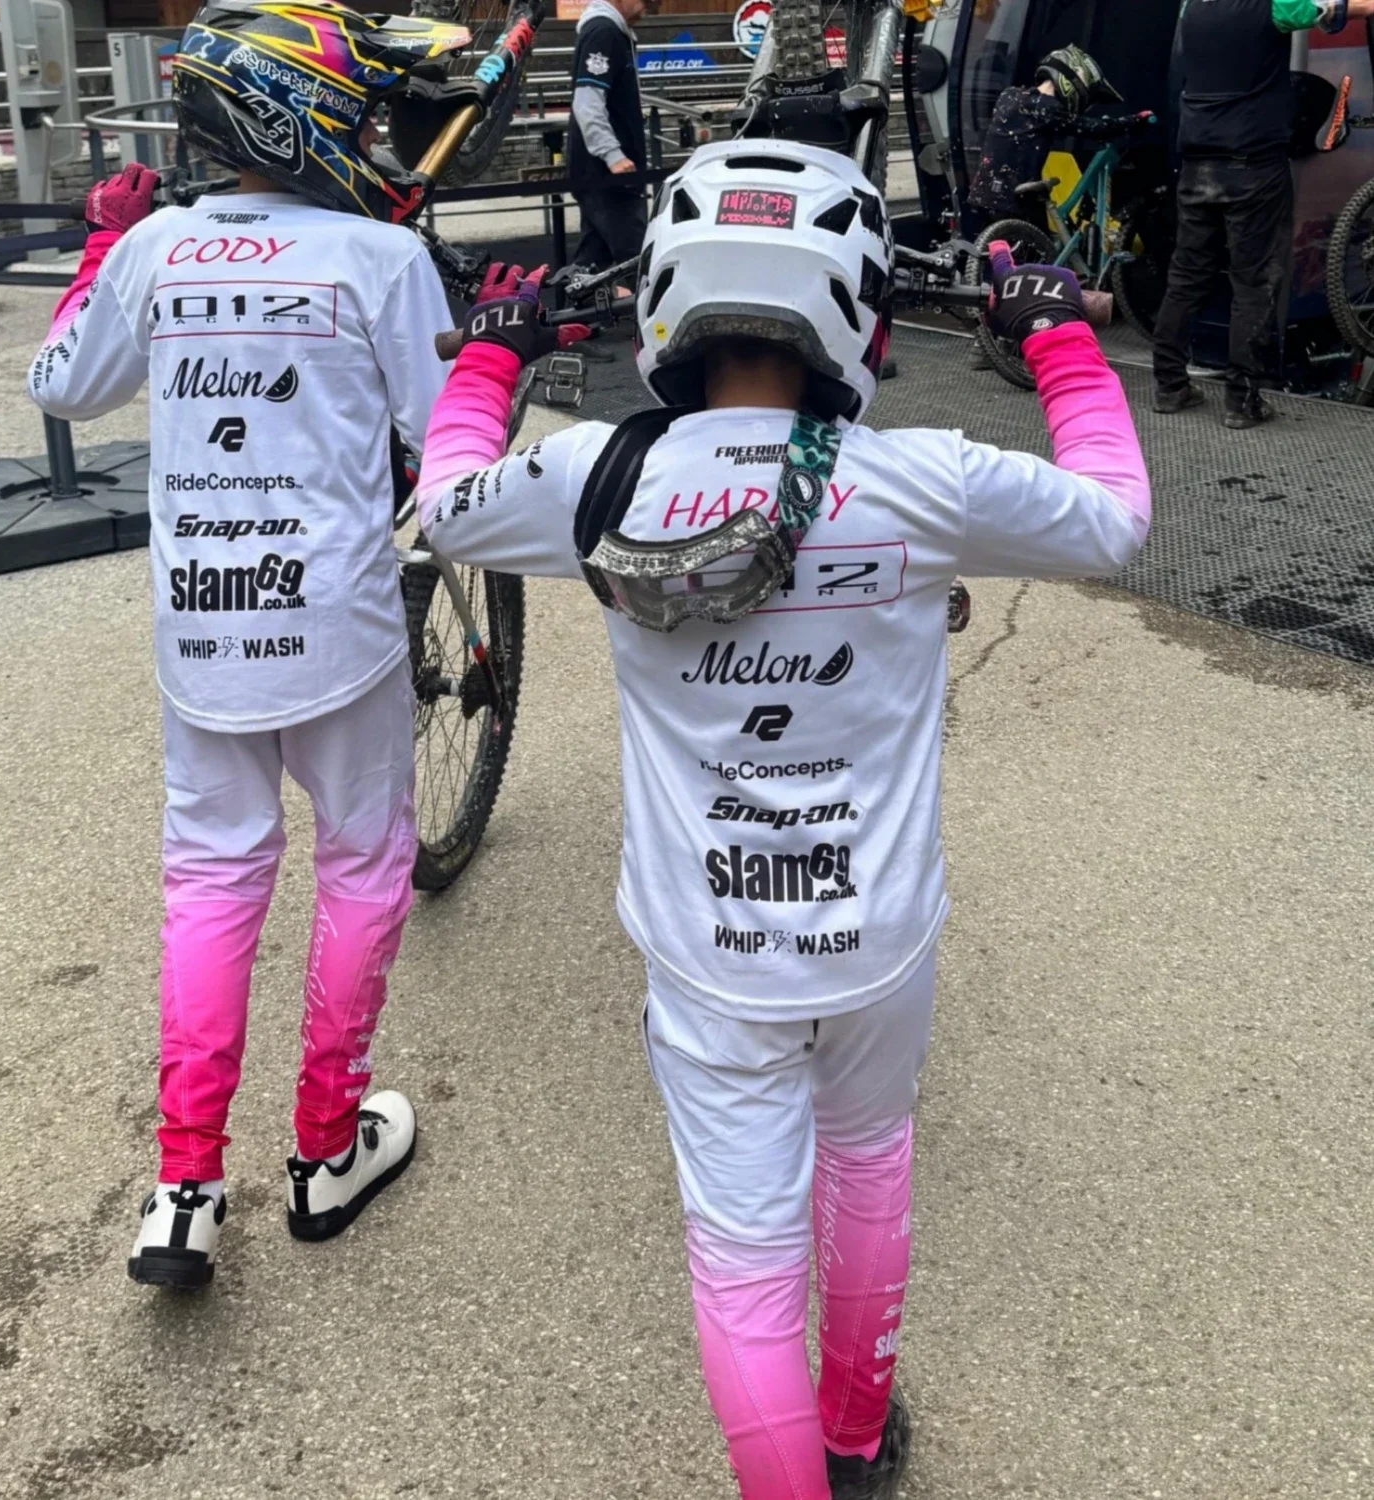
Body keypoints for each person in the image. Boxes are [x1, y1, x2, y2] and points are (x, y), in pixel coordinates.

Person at [416, 140, 1150, 1500]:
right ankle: (858, 1437)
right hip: (879, 938)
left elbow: (444, 511)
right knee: (870, 1162)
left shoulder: (598, 474)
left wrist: (490, 359)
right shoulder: (919, 479)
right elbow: (1115, 521)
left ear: (672, 307)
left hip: (711, 954)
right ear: (858, 307)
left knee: (742, 1256)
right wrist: (1053, 338)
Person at [27, 0, 455, 1288]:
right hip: (338, 626)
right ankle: (329, 1146)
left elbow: (60, 383)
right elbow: (451, 450)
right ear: (306, 109)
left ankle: (184, 1184)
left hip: (200, 630)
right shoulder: (381, 259)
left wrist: (105, 246)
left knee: (211, 878)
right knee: (363, 860)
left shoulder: (155, 246)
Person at [1153, 0, 1374, 427]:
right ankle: (1243, 400)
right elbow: (1325, 9)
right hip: (1252, 164)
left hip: (1199, 162)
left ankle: (1170, 386)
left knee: (1186, 278)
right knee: (1254, 282)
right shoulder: (1269, 7)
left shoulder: (1190, 9)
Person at [967, 44, 1121, 369]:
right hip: (1017, 198)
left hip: (985, 194)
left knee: (997, 271)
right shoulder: (1046, 107)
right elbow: (1088, 128)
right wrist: (1133, 121)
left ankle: (984, 346)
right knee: (1029, 275)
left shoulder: (1011, 95)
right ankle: (1023, 341)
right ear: (1072, 81)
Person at [567, 0, 652, 271]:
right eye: (647, 1)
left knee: (591, 267)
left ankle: (576, 312)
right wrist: (613, 155)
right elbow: (587, 102)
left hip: (601, 175)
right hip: (611, 177)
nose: (650, 8)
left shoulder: (610, 32)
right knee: (639, 266)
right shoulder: (604, 32)